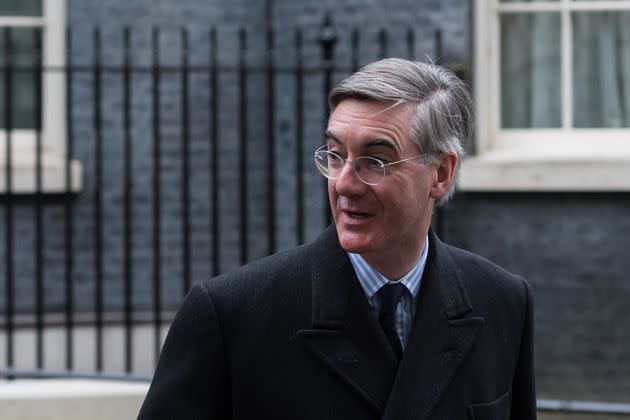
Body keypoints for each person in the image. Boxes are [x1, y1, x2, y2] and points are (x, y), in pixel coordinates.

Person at [138, 58, 536, 419]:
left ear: (442, 173)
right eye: (334, 154)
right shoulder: (231, 316)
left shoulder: (503, 303)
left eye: (374, 161)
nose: (344, 183)